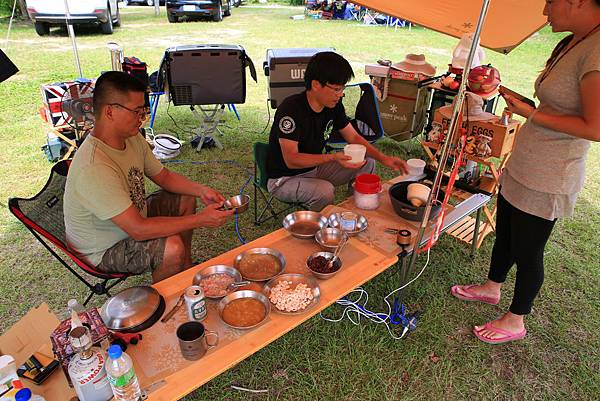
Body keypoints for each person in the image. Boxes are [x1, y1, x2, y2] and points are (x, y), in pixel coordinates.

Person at [451, 0, 600, 344]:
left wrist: (531, 114)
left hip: (552, 172)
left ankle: (516, 319)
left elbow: (594, 127)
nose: (545, 11)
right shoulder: (575, 40)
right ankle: (492, 287)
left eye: (550, 2)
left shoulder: (595, 51)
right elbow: (557, 107)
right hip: (527, 161)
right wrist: (527, 106)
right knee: (505, 233)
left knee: (528, 249)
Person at [64, 71, 235, 283]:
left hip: (131, 217)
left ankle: (186, 268)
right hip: (105, 247)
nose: (142, 119)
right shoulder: (94, 167)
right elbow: (138, 230)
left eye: (143, 111)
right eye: (136, 111)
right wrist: (201, 219)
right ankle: (166, 298)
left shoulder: (132, 137)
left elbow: (164, 176)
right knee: (171, 248)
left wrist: (201, 191)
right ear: (110, 112)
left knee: (185, 197)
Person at [266, 51, 408, 211]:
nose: (340, 95)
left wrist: (384, 158)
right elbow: (291, 159)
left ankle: (353, 210)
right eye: (336, 89)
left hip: (314, 169)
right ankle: (317, 226)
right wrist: (332, 157)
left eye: (342, 89)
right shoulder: (291, 109)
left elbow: (353, 136)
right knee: (325, 191)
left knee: (367, 163)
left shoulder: (333, 105)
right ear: (316, 85)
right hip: (284, 178)